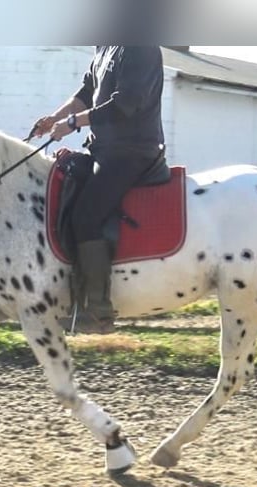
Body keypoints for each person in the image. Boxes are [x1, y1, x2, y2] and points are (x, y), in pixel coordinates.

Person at [31, 46, 166, 334]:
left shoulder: (141, 47)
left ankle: (98, 312)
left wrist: (71, 124)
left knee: (85, 217)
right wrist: (53, 118)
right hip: (104, 150)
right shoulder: (105, 46)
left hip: (133, 152)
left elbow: (124, 104)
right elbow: (85, 93)